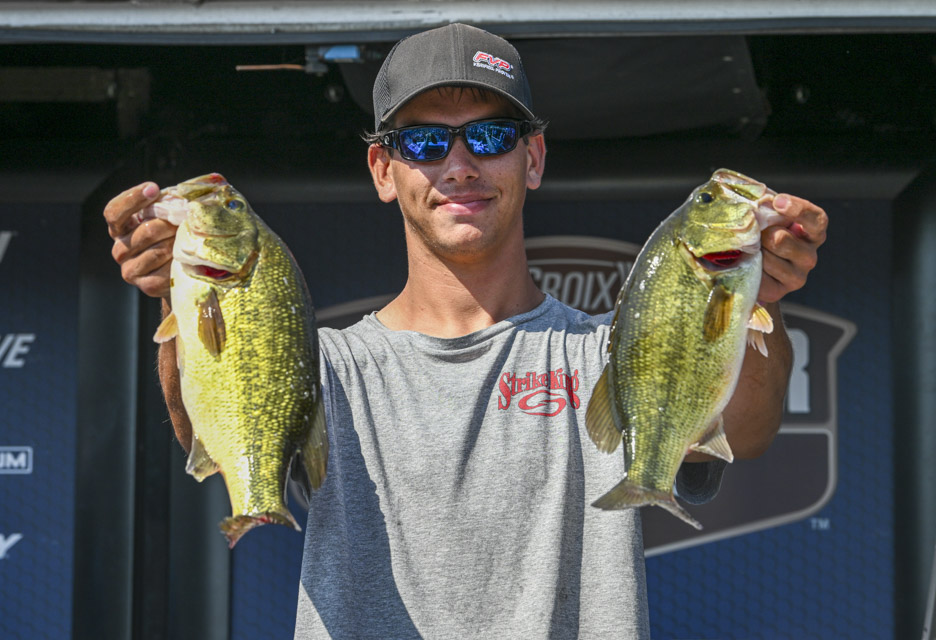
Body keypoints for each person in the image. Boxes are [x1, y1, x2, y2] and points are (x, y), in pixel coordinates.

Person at [104, 23, 827, 639]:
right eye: (423, 142)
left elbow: (746, 429)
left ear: (532, 158)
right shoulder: (325, 365)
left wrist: (758, 294)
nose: (459, 165)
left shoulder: (609, 352)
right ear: (382, 170)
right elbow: (201, 427)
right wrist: (178, 297)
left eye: (489, 136)